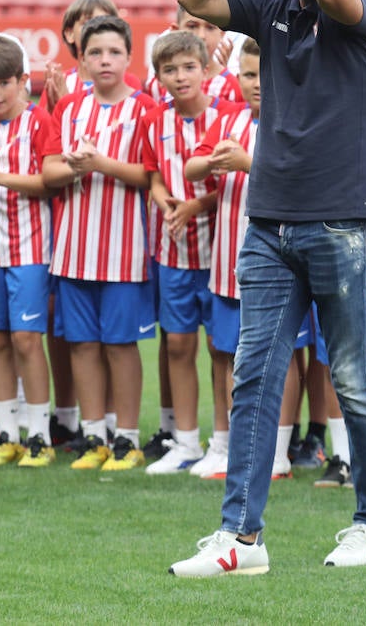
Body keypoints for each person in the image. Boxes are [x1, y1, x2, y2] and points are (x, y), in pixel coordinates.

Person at [170, 0, 366, 576]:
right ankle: (242, 538)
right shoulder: (269, 7)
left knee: (353, 378)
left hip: (342, 220)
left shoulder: (362, 11)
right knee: (254, 375)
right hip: (268, 221)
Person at [41, 14, 157, 472]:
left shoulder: (145, 108)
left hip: (124, 251)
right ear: (82, 60)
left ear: (129, 57)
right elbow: (48, 171)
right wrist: (74, 167)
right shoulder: (67, 107)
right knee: (82, 345)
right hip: (73, 249)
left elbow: (152, 176)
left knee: (120, 344)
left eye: (113, 52)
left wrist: (100, 164)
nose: (104, 60)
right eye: (95, 53)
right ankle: (95, 436)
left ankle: (127, 438)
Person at [142, 31, 239, 475]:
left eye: (187, 68)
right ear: (158, 76)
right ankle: (184, 441)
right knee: (178, 344)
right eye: (169, 70)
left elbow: (235, 185)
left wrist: (198, 204)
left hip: (220, 252)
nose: (179, 77)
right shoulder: (155, 120)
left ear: (204, 70)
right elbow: (154, 175)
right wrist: (166, 202)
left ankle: (222, 442)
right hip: (173, 250)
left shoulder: (226, 118)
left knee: (222, 348)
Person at [0, 36, 56, 468]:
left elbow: (50, 180)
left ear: (24, 81)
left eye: (4, 84)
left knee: (25, 339)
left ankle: (40, 434)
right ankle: (7, 433)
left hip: (30, 249)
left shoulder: (40, 123)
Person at [183, 36, 262, 480]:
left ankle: (274, 449)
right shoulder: (228, 118)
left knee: (274, 358)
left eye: (264, 74)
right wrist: (215, 162)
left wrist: (247, 162)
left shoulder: (291, 119)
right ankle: (222, 441)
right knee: (220, 351)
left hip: (277, 263)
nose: (257, 83)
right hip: (228, 259)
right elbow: (192, 168)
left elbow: (299, 173)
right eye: (249, 74)